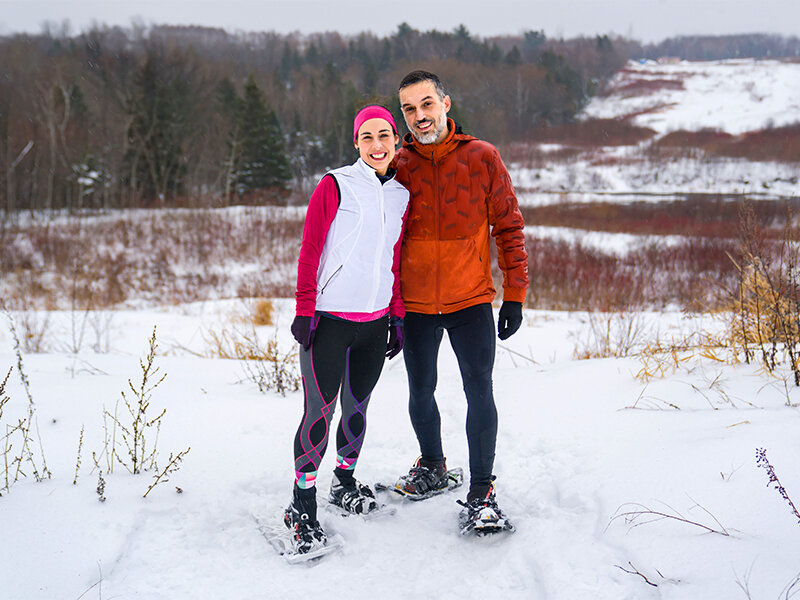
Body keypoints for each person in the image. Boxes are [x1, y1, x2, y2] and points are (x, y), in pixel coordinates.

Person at [392, 70, 529, 533]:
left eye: (426, 104)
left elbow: (508, 227)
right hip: (413, 305)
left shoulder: (482, 157)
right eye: (409, 109)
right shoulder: (396, 164)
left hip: (470, 300)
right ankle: (433, 467)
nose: (419, 116)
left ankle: (481, 491)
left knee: (479, 389)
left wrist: (515, 295)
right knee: (419, 390)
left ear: (446, 104)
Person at [284, 105, 409, 553]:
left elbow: (392, 259)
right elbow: (311, 247)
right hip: (330, 321)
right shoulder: (335, 184)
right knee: (320, 413)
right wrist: (305, 308)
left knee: (357, 409)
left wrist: (396, 313)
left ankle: (343, 482)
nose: (377, 145)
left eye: (385, 136)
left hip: (375, 324)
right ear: (356, 142)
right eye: (368, 137)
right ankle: (302, 505)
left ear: (396, 141)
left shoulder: (401, 195)